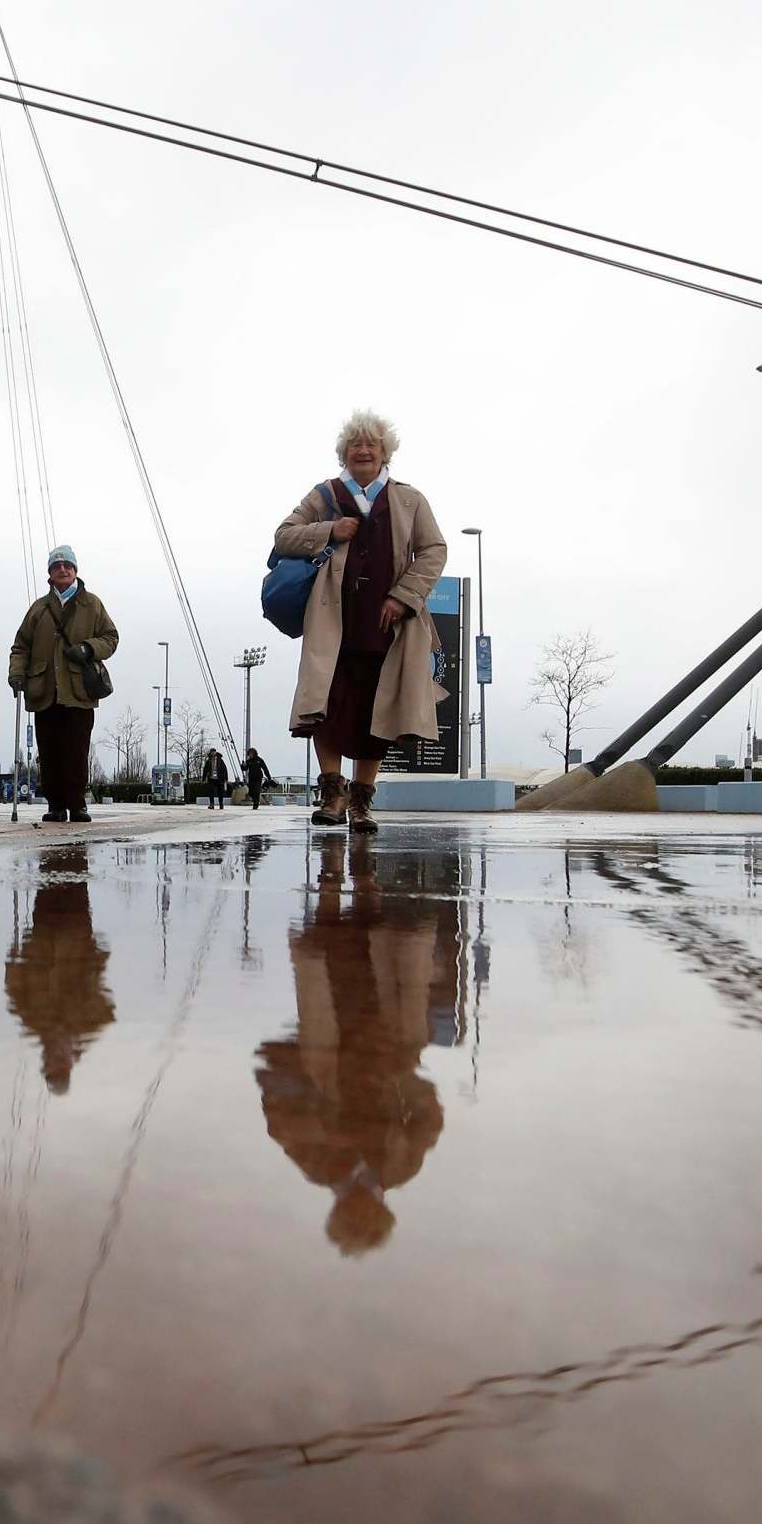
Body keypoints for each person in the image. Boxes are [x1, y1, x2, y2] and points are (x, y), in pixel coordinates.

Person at [252, 837, 454, 1255]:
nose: (360, 1211)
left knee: (331, 947)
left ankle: (341, 879)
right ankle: (364, 879)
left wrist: (303, 1081)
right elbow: (430, 1116)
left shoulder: (317, 1163)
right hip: (389, 1039)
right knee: (381, 942)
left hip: (332, 1044)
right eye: (366, 1219)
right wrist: (402, 1076)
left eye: (353, 1219)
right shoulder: (401, 1167)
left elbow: (279, 1111)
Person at [272, 410, 449, 834]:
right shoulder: (325, 494)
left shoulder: (410, 499)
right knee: (326, 708)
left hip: (388, 625)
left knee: (379, 710)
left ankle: (362, 802)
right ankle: (332, 794)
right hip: (332, 621)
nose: (363, 450)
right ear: (344, 454)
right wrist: (331, 529)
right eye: (355, 444)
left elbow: (433, 551)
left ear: (385, 451)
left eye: (371, 444)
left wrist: (403, 597)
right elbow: (283, 535)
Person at [7, 545, 119, 825]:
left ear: (76, 570)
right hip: (44, 691)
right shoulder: (39, 608)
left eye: (67, 565)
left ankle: (77, 804)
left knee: (77, 750)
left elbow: (111, 637)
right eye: (57, 566)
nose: (63, 569)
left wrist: (88, 648)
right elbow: (21, 646)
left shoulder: (92, 604)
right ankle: (56, 805)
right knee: (49, 751)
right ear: (50, 573)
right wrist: (16, 674)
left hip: (78, 691)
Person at [3, 845, 115, 1093]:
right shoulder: (87, 1025)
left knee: (55, 889)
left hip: (49, 940)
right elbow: (107, 1007)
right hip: (71, 940)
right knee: (62, 889)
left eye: (51, 1062)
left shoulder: (32, 1022)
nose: (54, 1055)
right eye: (57, 1061)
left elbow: (14, 988)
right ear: (68, 1062)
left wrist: (13, 962)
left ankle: (71, 821)